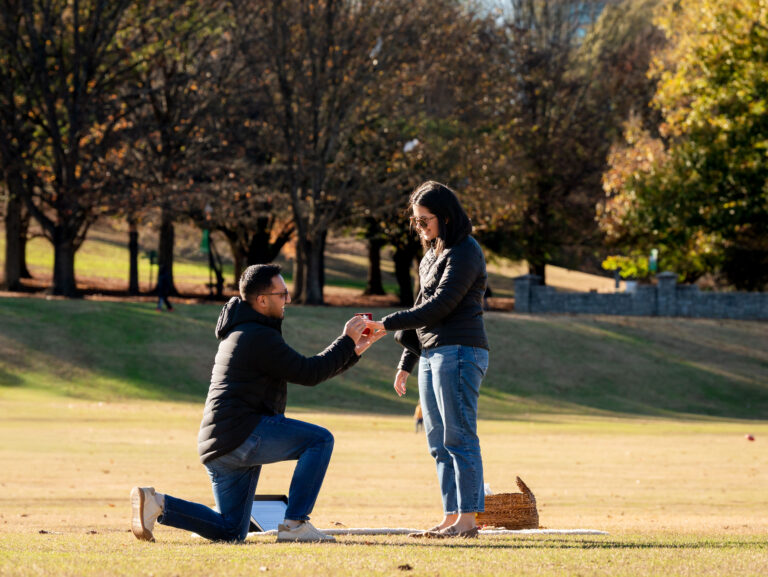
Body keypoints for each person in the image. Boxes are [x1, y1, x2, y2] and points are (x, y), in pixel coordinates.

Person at [131, 264, 385, 543]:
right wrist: (346, 340)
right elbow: (309, 373)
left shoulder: (244, 331)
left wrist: (353, 350)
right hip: (240, 436)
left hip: (219, 446)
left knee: (231, 532)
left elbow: (311, 371)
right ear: (262, 300)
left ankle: (158, 504)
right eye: (282, 294)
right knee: (319, 440)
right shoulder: (257, 336)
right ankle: (295, 525)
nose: (288, 299)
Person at [368, 181, 489, 539]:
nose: (419, 227)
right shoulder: (431, 257)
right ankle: (452, 516)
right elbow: (423, 311)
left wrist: (385, 324)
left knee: (459, 436)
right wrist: (406, 363)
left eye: (425, 220)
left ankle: (468, 521)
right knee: (437, 442)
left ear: (447, 217)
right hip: (432, 353)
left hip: (461, 351)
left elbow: (442, 305)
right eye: (416, 221)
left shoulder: (465, 251)